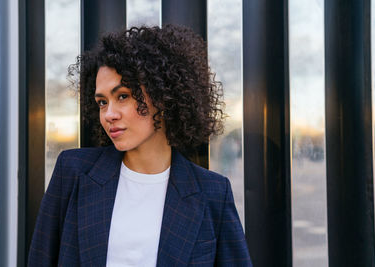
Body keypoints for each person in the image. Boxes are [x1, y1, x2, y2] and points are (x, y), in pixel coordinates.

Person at [28, 24, 252, 267]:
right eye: (102, 102)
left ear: (162, 96)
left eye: (122, 96)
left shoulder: (213, 194)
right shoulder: (72, 172)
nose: (108, 114)